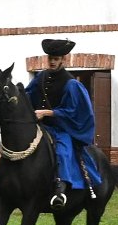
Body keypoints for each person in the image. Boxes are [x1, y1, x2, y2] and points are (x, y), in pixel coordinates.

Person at [24, 38, 101, 209]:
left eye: (56, 59)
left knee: (63, 152)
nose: (52, 61)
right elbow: (27, 95)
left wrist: (47, 113)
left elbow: (75, 111)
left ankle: (60, 189)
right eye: (50, 58)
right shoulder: (40, 77)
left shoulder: (71, 84)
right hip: (38, 127)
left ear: (63, 60)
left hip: (61, 129)